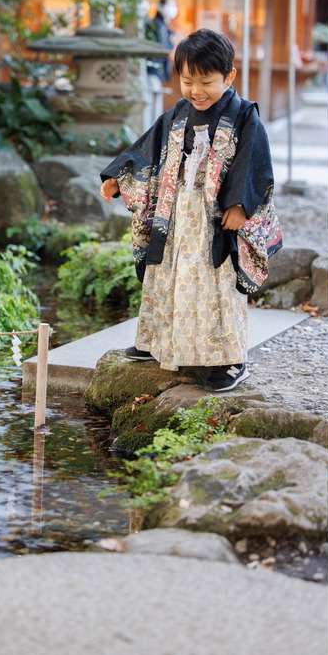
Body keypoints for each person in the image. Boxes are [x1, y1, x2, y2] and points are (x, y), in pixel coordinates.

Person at [99, 29, 282, 392]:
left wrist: (241, 205)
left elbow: (254, 162)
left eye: (206, 82)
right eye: (187, 81)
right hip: (175, 210)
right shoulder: (178, 114)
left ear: (229, 77)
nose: (196, 91)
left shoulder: (244, 116)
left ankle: (229, 359)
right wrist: (119, 178)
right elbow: (147, 149)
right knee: (167, 273)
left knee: (215, 284)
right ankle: (159, 341)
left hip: (215, 219)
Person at [142, 0, 178, 127]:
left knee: (155, 104)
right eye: (170, 4)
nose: (173, 8)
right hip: (151, 70)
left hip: (157, 73)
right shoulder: (155, 25)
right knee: (151, 104)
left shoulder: (164, 26)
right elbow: (164, 50)